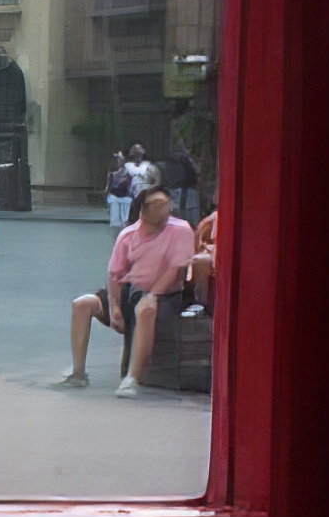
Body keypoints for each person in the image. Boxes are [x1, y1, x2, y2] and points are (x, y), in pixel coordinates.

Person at [59, 185, 197, 397]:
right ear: (143, 209)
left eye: (166, 204)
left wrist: (153, 294)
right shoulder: (128, 234)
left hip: (166, 292)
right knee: (82, 304)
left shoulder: (181, 229)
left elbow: (176, 270)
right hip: (129, 288)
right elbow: (114, 274)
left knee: (145, 309)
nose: (164, 210)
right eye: (157, 205)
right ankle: (78, 373)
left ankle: (132, 378)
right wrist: (114, 306)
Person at [187, 208, 219, 316]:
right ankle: (201, 304)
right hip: (213, 256)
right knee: (200, 261)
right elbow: (201, 243)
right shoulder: (212, 219)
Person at [105, 151, 134, 230]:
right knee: (115, 222)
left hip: (125, 198)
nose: (118, 161)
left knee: (125, 221)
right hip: (114, 197)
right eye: (117, 159)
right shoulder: (112, 173)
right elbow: (108, 187)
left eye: (120, 159)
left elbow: (130, 187)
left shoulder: (128, 172)